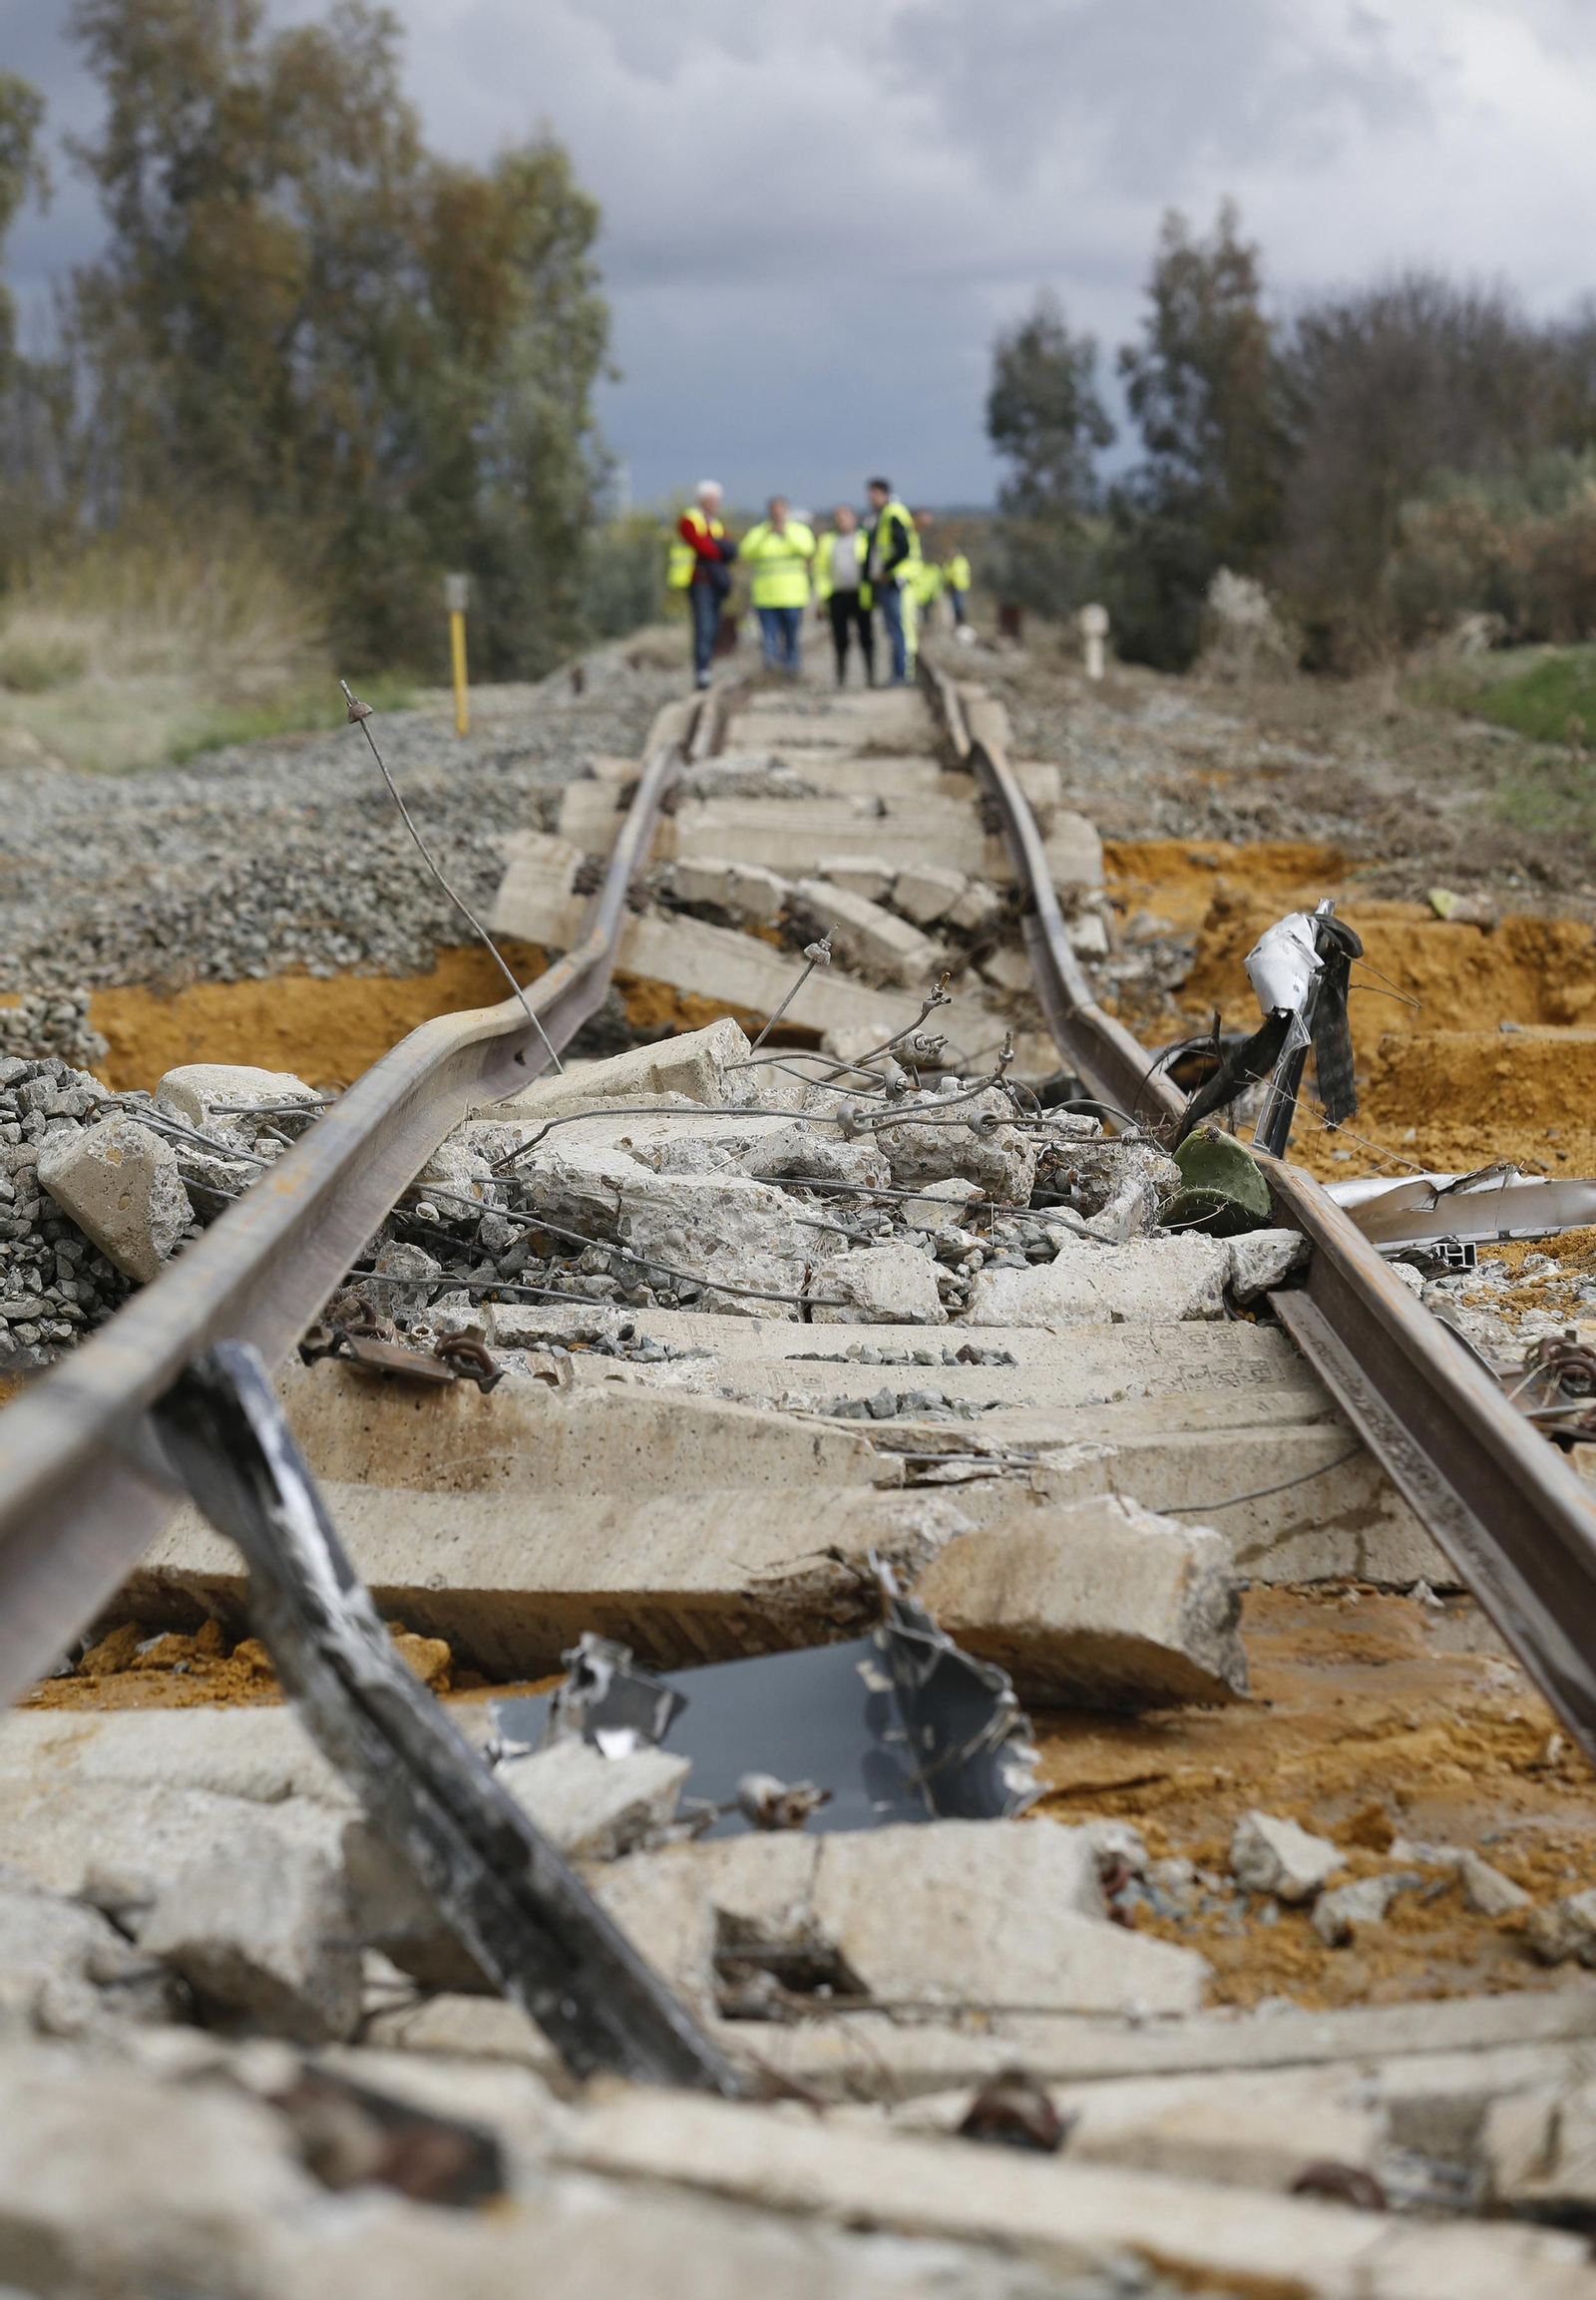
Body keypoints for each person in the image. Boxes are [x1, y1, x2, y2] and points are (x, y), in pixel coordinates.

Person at [738, 496, 815, 676]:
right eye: (774, 509)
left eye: (780, 509)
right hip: (766, 595)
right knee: (768, 636)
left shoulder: (798, 530)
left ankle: (792, 668)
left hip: (792, 595)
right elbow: (745, 551)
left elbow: (807, 549)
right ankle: (771, 670)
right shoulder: (759, 532)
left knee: (791, 635)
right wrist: (766, 533)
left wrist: (785, 534)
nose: (777, 513)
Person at [668, 481, 735, 690]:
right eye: (712, 499)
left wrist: (718, 547)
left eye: (717, 500)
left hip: (715, 583)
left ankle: (707, 668)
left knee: (713, 627)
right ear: (702, 500)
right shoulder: (690, 519)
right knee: (704, 627)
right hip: (697, 581)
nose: (715, 504)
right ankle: (702, 672)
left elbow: (730, 550)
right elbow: (702, 546)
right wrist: (718, 548)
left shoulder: (716, 524)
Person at [863, 477, 920, 683]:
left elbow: (903, 548)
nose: (869, 498)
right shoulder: (884, 514)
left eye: (872, 494)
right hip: (892, 579)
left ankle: (902, 674)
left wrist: (886, 571)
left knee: (899, 627)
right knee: (894, 628)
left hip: (897, 580)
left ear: (883, 493)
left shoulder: (893, 513)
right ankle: (900, 673)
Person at [813, 504, 874, 687]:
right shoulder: (828, 540)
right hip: (837, 595)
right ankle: (841, 680)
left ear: (853, 518)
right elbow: (821, 569)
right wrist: (824, 595)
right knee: (840, 639)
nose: (842, 521)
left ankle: (870, 678)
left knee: (866, 637)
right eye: (838, 518)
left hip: (861, 595)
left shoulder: (864, 538)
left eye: (845, 517)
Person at [945, 545, 972, 628]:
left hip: (960, 586)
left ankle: (962, 623)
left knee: (960, 605)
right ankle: (957, 623)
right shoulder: (949, 562)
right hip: (952, 586)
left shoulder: (961, 561)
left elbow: (964, 573)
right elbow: (947, 573)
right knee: (954, 606)